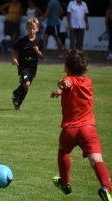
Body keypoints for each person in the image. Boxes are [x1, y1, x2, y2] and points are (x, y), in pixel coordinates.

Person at [50, 49, 112, 201]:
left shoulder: (68, 81)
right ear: (85, 68)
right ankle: (106, 187)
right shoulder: (88, 81)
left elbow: (68, 83)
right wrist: (63, 89)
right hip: (88, 129)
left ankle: (65, 184)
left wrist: (62, 84)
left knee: (63, 152)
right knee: (96, 160)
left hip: (69, 131)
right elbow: (74, 87)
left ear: (67, 68)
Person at [11, 18, 43, 110]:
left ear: (37, 29)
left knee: (26, 88)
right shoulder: (22, 41)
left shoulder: (39, 41)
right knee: (27, 84)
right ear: (26, 28)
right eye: (29, 28)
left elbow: (42, 55)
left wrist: (37, 52)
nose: (31, 30)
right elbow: (13, 48)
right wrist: (14, 58)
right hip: (23, 66)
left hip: (32, 68)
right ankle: (15, 93)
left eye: (33, 28)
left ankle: (18, 103)